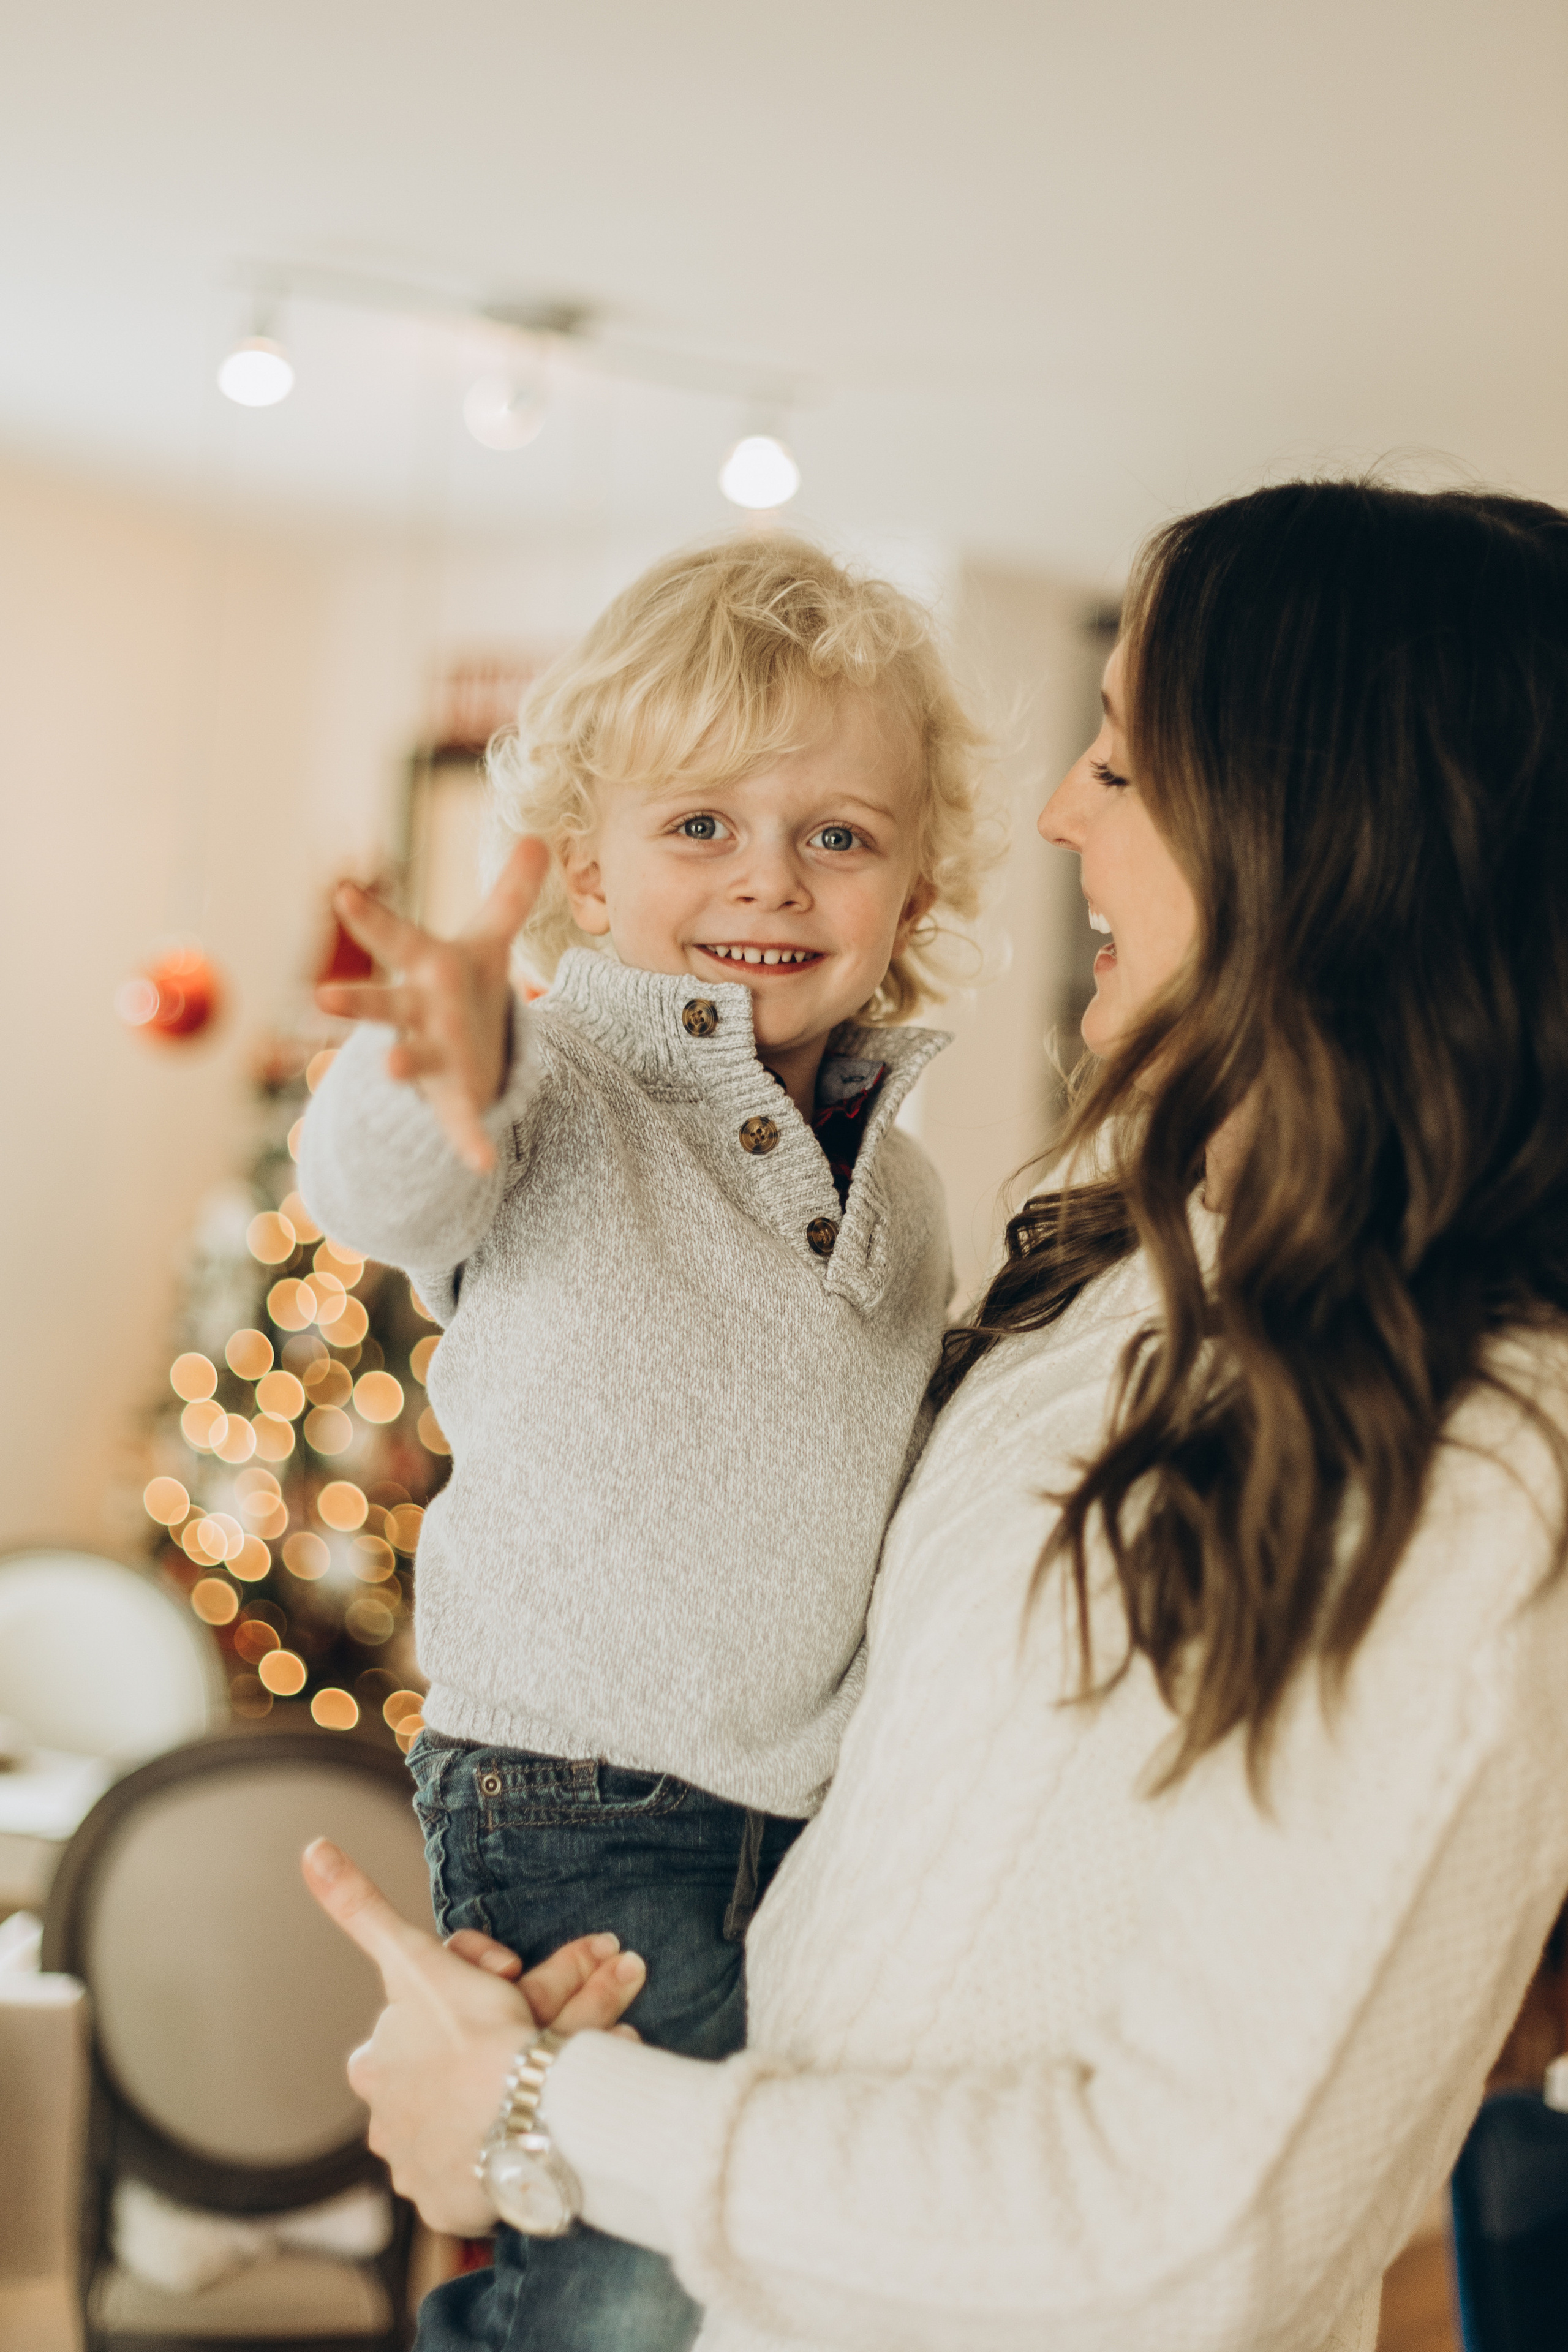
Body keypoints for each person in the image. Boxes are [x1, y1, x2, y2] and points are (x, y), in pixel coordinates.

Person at [308, 478, 1568, 2352]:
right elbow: (403, 1185)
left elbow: (1185, 2234)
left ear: (1330, 841)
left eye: (1126, 768)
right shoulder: (1120, 1281)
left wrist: (545, 2113)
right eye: (709, 825)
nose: (1061, 810)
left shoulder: (1472, 1467)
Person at [298, 535, 995, 2350]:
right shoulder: (553, 1087)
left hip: (812, 1809)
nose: (770, 878)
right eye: (700, 827)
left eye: (838, 834)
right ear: (586, 868)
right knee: (624, 2289)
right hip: (582, 1799)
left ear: (917, 882)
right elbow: (383, 1187)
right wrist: (422, 1063)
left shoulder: (903, 1184)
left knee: (760, 2269)